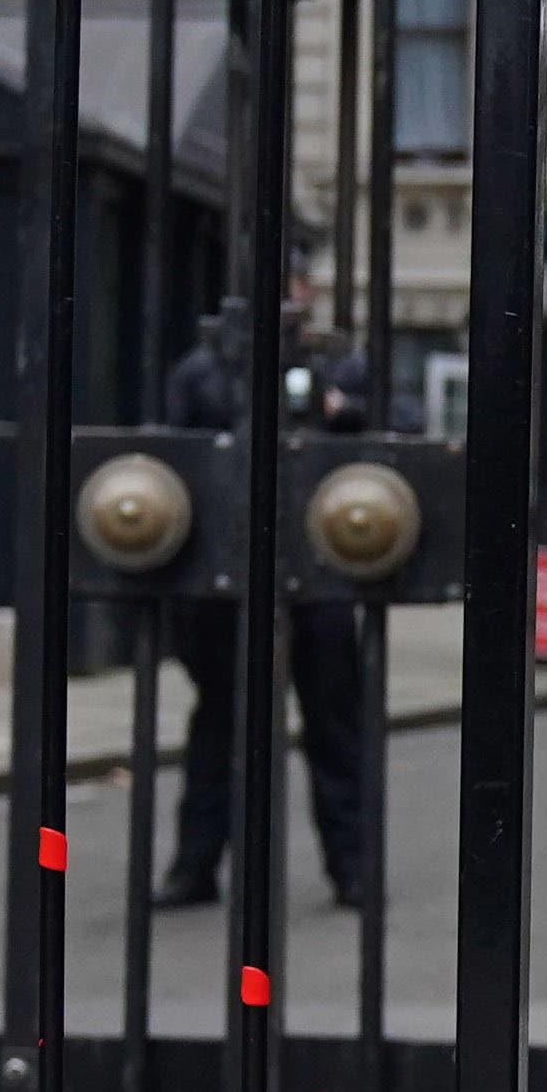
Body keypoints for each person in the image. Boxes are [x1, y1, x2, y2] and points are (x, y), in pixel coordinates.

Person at [156, 274, 377, 911]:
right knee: (220, 724)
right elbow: (180, 460)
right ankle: (194, 866)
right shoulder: (205, 370)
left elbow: (391, 437)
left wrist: (345, 412)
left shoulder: (340, 364)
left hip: (322, 569)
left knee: (334, 727)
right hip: (233, 576)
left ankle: (352, 867)